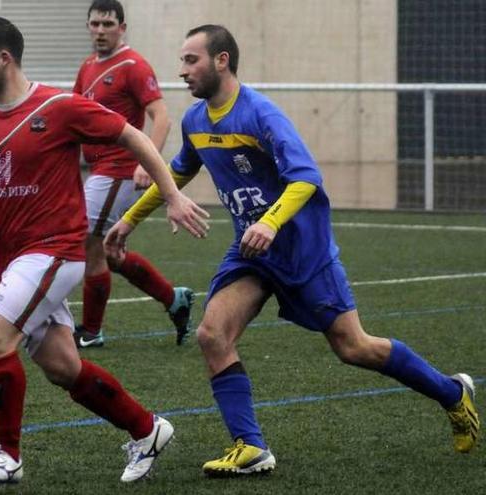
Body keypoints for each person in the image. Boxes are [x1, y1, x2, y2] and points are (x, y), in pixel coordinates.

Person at [105, 24, 479, 476]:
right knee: (212, 334)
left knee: (353, 347)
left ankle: (451, 393)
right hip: (252, 251)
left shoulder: (261, 114)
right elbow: (178, 173)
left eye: (191, 60)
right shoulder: (196, 122)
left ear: (221, 61)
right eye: (183, 61)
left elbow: (306, 178)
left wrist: (270, 220)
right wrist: (128, 220)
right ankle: (250, 447)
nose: (182, 71)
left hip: (303, 249)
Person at [0, 17, 209, 484]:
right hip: (15, 261)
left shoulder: (59, 106)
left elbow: (133, 135)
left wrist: (172, 194)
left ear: (3, 58)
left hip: (55, 251)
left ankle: (7, 455)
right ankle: (147, 430)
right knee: (63, 367)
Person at [72, 0, 193, 348]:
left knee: (87, 243)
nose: (100, 30)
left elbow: (162, 116)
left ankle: (91, 333)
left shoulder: (133, 66)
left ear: (122, 28)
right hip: (98, 170)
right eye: (95, 24)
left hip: (120, 170)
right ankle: (174, 299)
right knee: (108, 252)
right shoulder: (87, 67)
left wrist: (146, 162)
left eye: (108, 24)